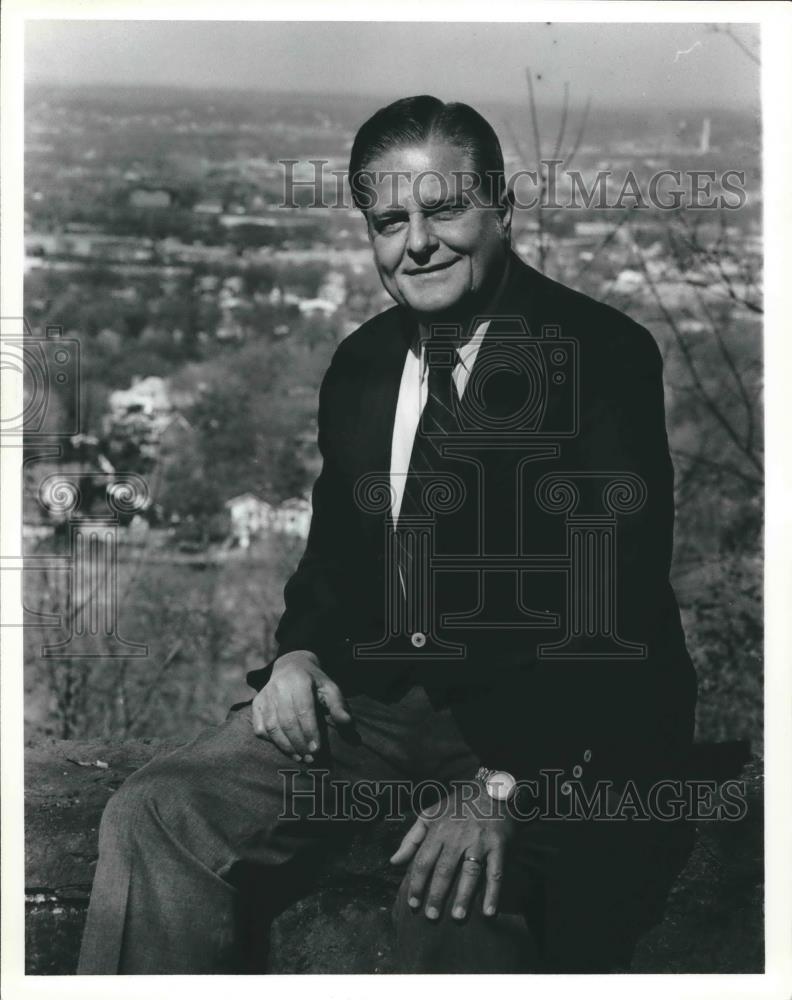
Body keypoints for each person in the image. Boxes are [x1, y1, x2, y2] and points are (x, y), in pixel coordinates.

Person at [78, 95, 698, 975]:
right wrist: (296, 656)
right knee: (156, 812)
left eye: (444, 209)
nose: (418, 243)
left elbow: (614, 603)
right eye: (390, 221)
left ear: (502, 208)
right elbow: (335, 554)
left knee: (450, 894)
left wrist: (508, 788)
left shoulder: (599, 357)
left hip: (556, 728)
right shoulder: (365, 363)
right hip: (379, 702)